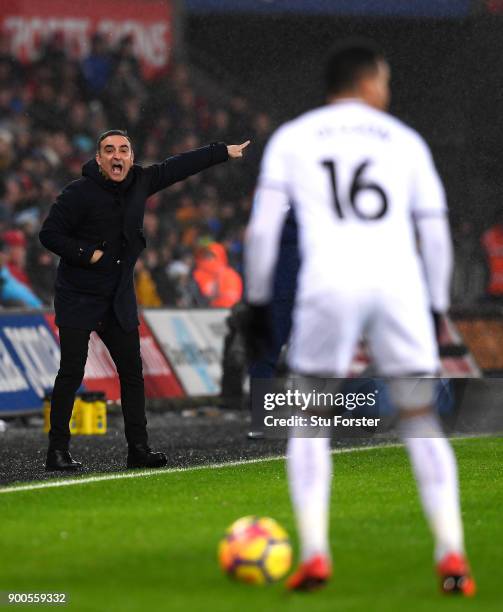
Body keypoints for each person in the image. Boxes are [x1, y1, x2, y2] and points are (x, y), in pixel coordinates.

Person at [244, 41, 475, 595]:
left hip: (329, 282)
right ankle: (452, 558)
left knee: (310, 421)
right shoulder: (406, 141)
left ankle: (316, 555)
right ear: (370, 82)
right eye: (386, 82)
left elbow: (261, 232)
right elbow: (435, 233)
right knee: (420, 421)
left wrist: (256, 303)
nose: (387, 92)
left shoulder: (294, 138)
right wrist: (437, 306)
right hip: (398, 286)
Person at [40, 129, 249, 471]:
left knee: (133, 374)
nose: (117, 156)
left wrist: (222, 152)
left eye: (123, 150)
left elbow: (179, 166)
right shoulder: (78, 193)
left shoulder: (141, 181)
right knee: (71, 372)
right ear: (99, 159)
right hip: (78, 295)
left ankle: (138, 449)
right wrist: (85, 254)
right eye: (109, 150)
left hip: (117, 296)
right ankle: (57, 451)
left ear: (132, 158)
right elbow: (48, 234)